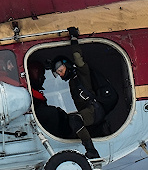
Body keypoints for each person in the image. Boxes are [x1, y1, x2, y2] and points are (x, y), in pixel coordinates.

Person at [32, 29, 115, 159]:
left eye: (61, 70)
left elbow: (78, 58)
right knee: (72, 121)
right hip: (90, 111)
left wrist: (73, 39)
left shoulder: (82, 73)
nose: (60, 74)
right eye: (58, 73)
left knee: (74, 119)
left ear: (67, 65)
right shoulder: (72, 83)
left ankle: (92, 151)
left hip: (95, 110)